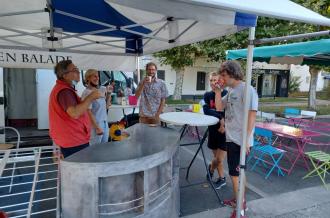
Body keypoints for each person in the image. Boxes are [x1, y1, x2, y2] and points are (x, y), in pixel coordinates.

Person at [216, 61, 258, 218]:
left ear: (233, 74)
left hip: (241, 141)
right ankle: (239, 200)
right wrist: (218, 91)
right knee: (238, 173)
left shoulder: (247, 89)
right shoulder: (231, 91)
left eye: (224, 75)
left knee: (235, 174)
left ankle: (240, 208)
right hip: (231, 138)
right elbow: (220, 107)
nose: (222, 78)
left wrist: (246, 140)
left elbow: (252, 114)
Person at [49, 60, 101, 158]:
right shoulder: (64, 91)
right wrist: (91, 97)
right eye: (74, 70)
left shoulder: (65, 89)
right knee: (81, 169)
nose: (78, 72)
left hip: (73, 139)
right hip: (73, 140)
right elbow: (74, 113)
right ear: (64, 75)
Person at [203, 72, 227, 189]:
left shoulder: (226, 94)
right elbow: (206, 110)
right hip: (212, 130)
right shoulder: (207, 95)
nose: (213, 83)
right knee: (217, 159)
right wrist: (220, 116)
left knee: (219, 158)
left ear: (221, 81)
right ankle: (222, 178)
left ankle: (211, 169)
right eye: (211, 80)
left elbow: (228, 112)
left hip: (224, 131)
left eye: (215, 80)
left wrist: (223, 119)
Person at [81, 69, 111, 145]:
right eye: (94, 76)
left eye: (97, 76)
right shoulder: (86, 93)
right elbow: (88, 112)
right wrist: (97, 127)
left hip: (104, 122)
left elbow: (106, 107)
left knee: (103, 149)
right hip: (95, 125)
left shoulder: (100, 90)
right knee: (94, 150)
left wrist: (109, 94)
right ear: (88, 78)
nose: (97, 78)